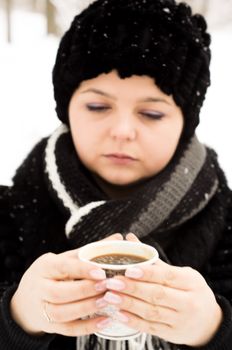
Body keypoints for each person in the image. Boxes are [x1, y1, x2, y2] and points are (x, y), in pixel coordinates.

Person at [0, 0, 232, 349]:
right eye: (97, 106)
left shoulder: (228, 225)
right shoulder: (7, 217)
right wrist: (16, 319)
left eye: (151, 113)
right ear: (67, 110)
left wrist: (216, 330)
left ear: (185, 125)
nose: (123, 130)